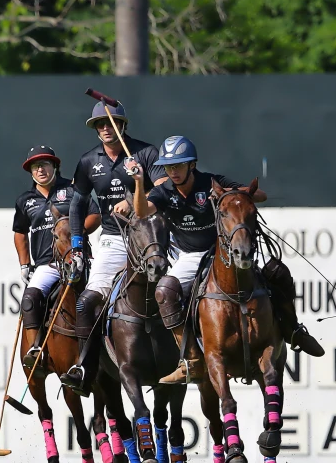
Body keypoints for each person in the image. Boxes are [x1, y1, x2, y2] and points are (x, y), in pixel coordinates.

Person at [130, 135, 324, 384]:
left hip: (225, 248)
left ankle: (293, 330)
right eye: (168, 166)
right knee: (165, 292)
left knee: (277, 271)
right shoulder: (163, 190)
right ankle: (190, 360)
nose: (173, 171)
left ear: (192, 165)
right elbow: (141, 211)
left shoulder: (211, 182)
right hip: (191, 254)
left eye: (178, 165)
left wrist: (229, 195)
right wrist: (138, 182)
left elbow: (259, 196)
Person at [59, 101, 168, 396]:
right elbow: (77, 205)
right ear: (96, 130)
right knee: (85, 303)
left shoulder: (145, 153)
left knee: (182, 289)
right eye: (100, 125)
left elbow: (165, 189)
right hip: (113, 239)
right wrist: (79, 245)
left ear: (122, 125)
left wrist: (137, 190)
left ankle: (191, 357)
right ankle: (85, 367)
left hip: (151, 236)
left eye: (111, 123)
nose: (106, 129)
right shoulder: (87, 162)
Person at [13, 145, 101, 370]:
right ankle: (36, 351)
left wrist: (75, 234)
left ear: (55, 166)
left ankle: (107, 345)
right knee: (30, 298)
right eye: (35, 166)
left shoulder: (72, 191)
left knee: (99, 298)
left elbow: (95, 215)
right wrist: (25, 264)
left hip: (77, 259)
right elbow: (20, 233)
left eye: (44, 164)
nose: (40, 170)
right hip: (48, 265)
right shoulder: (26, 200)